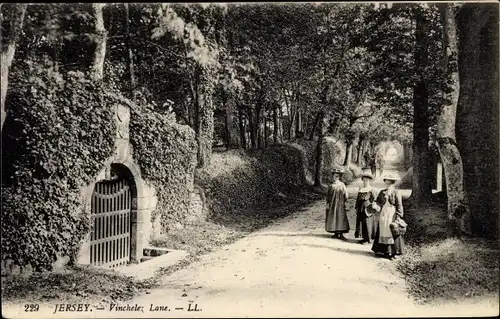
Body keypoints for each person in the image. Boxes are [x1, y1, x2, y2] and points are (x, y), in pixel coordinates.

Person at [371, 173, 405, 260]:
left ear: (393, 183)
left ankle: (392, 252)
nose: (388, 184)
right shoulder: (382, 192)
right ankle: (383, 250)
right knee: (383, 230)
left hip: (392, 213)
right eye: (386, 182)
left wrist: (399, 216)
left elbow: (399, 205)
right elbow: (378, 202)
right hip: (383, 213)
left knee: (391, 231)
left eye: (390, 182)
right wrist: (375, 205)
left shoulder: (396, 192)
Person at [325, 167, 349, 240]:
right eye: (334, 176)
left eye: (337, 176)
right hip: (332, 205)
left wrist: (344, 201)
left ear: (339, 177)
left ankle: (341, 233)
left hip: (340, 205)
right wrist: (328, 203)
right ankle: (335, 232)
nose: (335, 177)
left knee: (340, 217)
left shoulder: (342, 185)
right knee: (334, 217)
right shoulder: (331, 186)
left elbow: (346, 195)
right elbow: (328, 195)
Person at [354, 172, 377, 244]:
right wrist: (356, 207)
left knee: (367, 223)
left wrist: (371, 208)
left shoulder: (371, 189)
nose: (365, 182)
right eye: (364, 180)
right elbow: (358, 199)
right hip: (361, 208)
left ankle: (368, 239)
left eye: (367, 181)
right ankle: (364, 238)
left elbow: (374, 200)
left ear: (369, 181)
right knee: (362, 223)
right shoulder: (361, 189)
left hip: (367, 208)